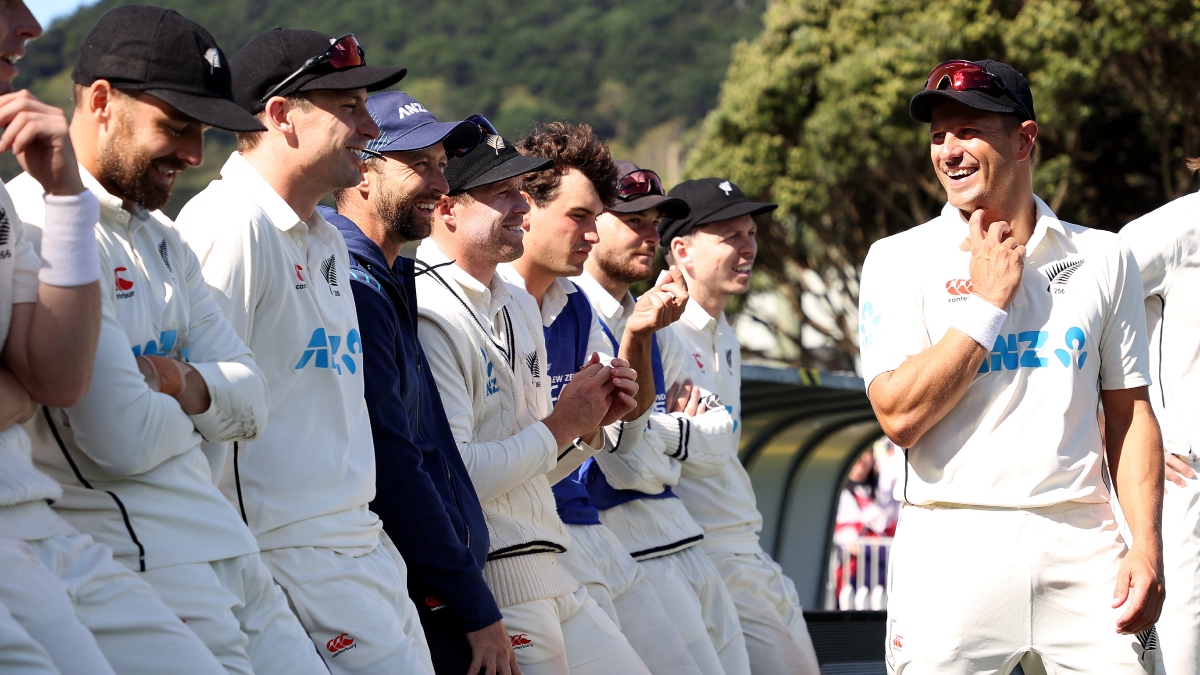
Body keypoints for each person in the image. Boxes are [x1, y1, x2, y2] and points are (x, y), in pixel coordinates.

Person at [10, 9, 328, 674]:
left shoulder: (164, 236)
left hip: (227, 544)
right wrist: (206, 400)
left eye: (203, 133)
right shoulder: (43, 219)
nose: (193, 154)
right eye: (175, 127)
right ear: (102, 102)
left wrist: (178, 381)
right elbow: (118, 438)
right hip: (146, 556)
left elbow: (257, 401)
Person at [858, 58, 1164, 673]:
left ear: (1024, 140)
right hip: (950, 541)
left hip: (1083, 539)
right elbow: (897, 414)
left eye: (969, 129)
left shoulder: (1104, 256)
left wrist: (1148, 550)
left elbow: (1129, 415)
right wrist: (985, 304)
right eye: (939, 135)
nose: (949, 150)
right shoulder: (896, 259)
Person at [175, 29, 435, 674]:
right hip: (280, 553)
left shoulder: (321, 235)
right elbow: (192, 418)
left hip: (358, 545)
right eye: (347, 105)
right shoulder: (229, 225)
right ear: (281, 116)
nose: (369, 125)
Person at [0, 3, 228, 674]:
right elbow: (107, 423)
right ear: (101, 102)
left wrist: (69, 196)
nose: (32, 28)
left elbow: (56, 382)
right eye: (7, 3)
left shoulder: (23, 200)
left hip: (38, 525)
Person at [415, 127, 651, 675]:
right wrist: (561, 425)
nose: (523, 205)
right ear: (447, 208)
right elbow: (458, 480)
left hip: (551, 563)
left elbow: (535, 469)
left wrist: (588, 424)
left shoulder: (517, 304)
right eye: (502, 193)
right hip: (495, 579)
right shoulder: (428, 309)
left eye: (522, 189)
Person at [323, 91, 519, 675]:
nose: (440, 183)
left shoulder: (391, 275)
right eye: (420, 164)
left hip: (427, 585)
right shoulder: (352, 283)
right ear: (363, 169)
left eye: (442, 164)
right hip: (407, 586)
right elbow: (395, 462)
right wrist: (475, 606)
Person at [502, 128, 703, 675]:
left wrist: (631, 352)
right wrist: (577, 424)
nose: (591, 235)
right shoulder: (485, 301)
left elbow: (622, 424)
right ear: (525, 208)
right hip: (518, 544)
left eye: (597, 218)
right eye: (581, 216)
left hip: (579, 523)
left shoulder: (573, 302)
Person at [572, 159, 754, 675]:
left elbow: (719, 446)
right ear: (593, 224)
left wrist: (655, 434)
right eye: (633, 221)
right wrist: (671, 435)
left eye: (655, 222)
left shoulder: (661, 322)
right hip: (620, 538)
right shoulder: (568, 311)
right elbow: (624, 462)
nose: (649, 235)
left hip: (678, 530)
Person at [658, 176, 822, 674]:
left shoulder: (723, 331)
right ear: (681, 250)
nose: (748, 247)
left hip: (745, 551)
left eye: (751, 233)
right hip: (700, 555)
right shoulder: (657, 334)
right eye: (730, 236)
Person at [1120, 188, 1200, 674]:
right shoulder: (1175, 229)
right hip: (1185, 480)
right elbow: (1081, 307)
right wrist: (1122, 418)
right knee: (1178, 659)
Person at [832, 449, 895, 611]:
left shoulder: (881, 490)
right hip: (851, 572)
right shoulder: (838, 490)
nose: (861, 459)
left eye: (865, 452)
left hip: (880, 572)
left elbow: (888, 522)